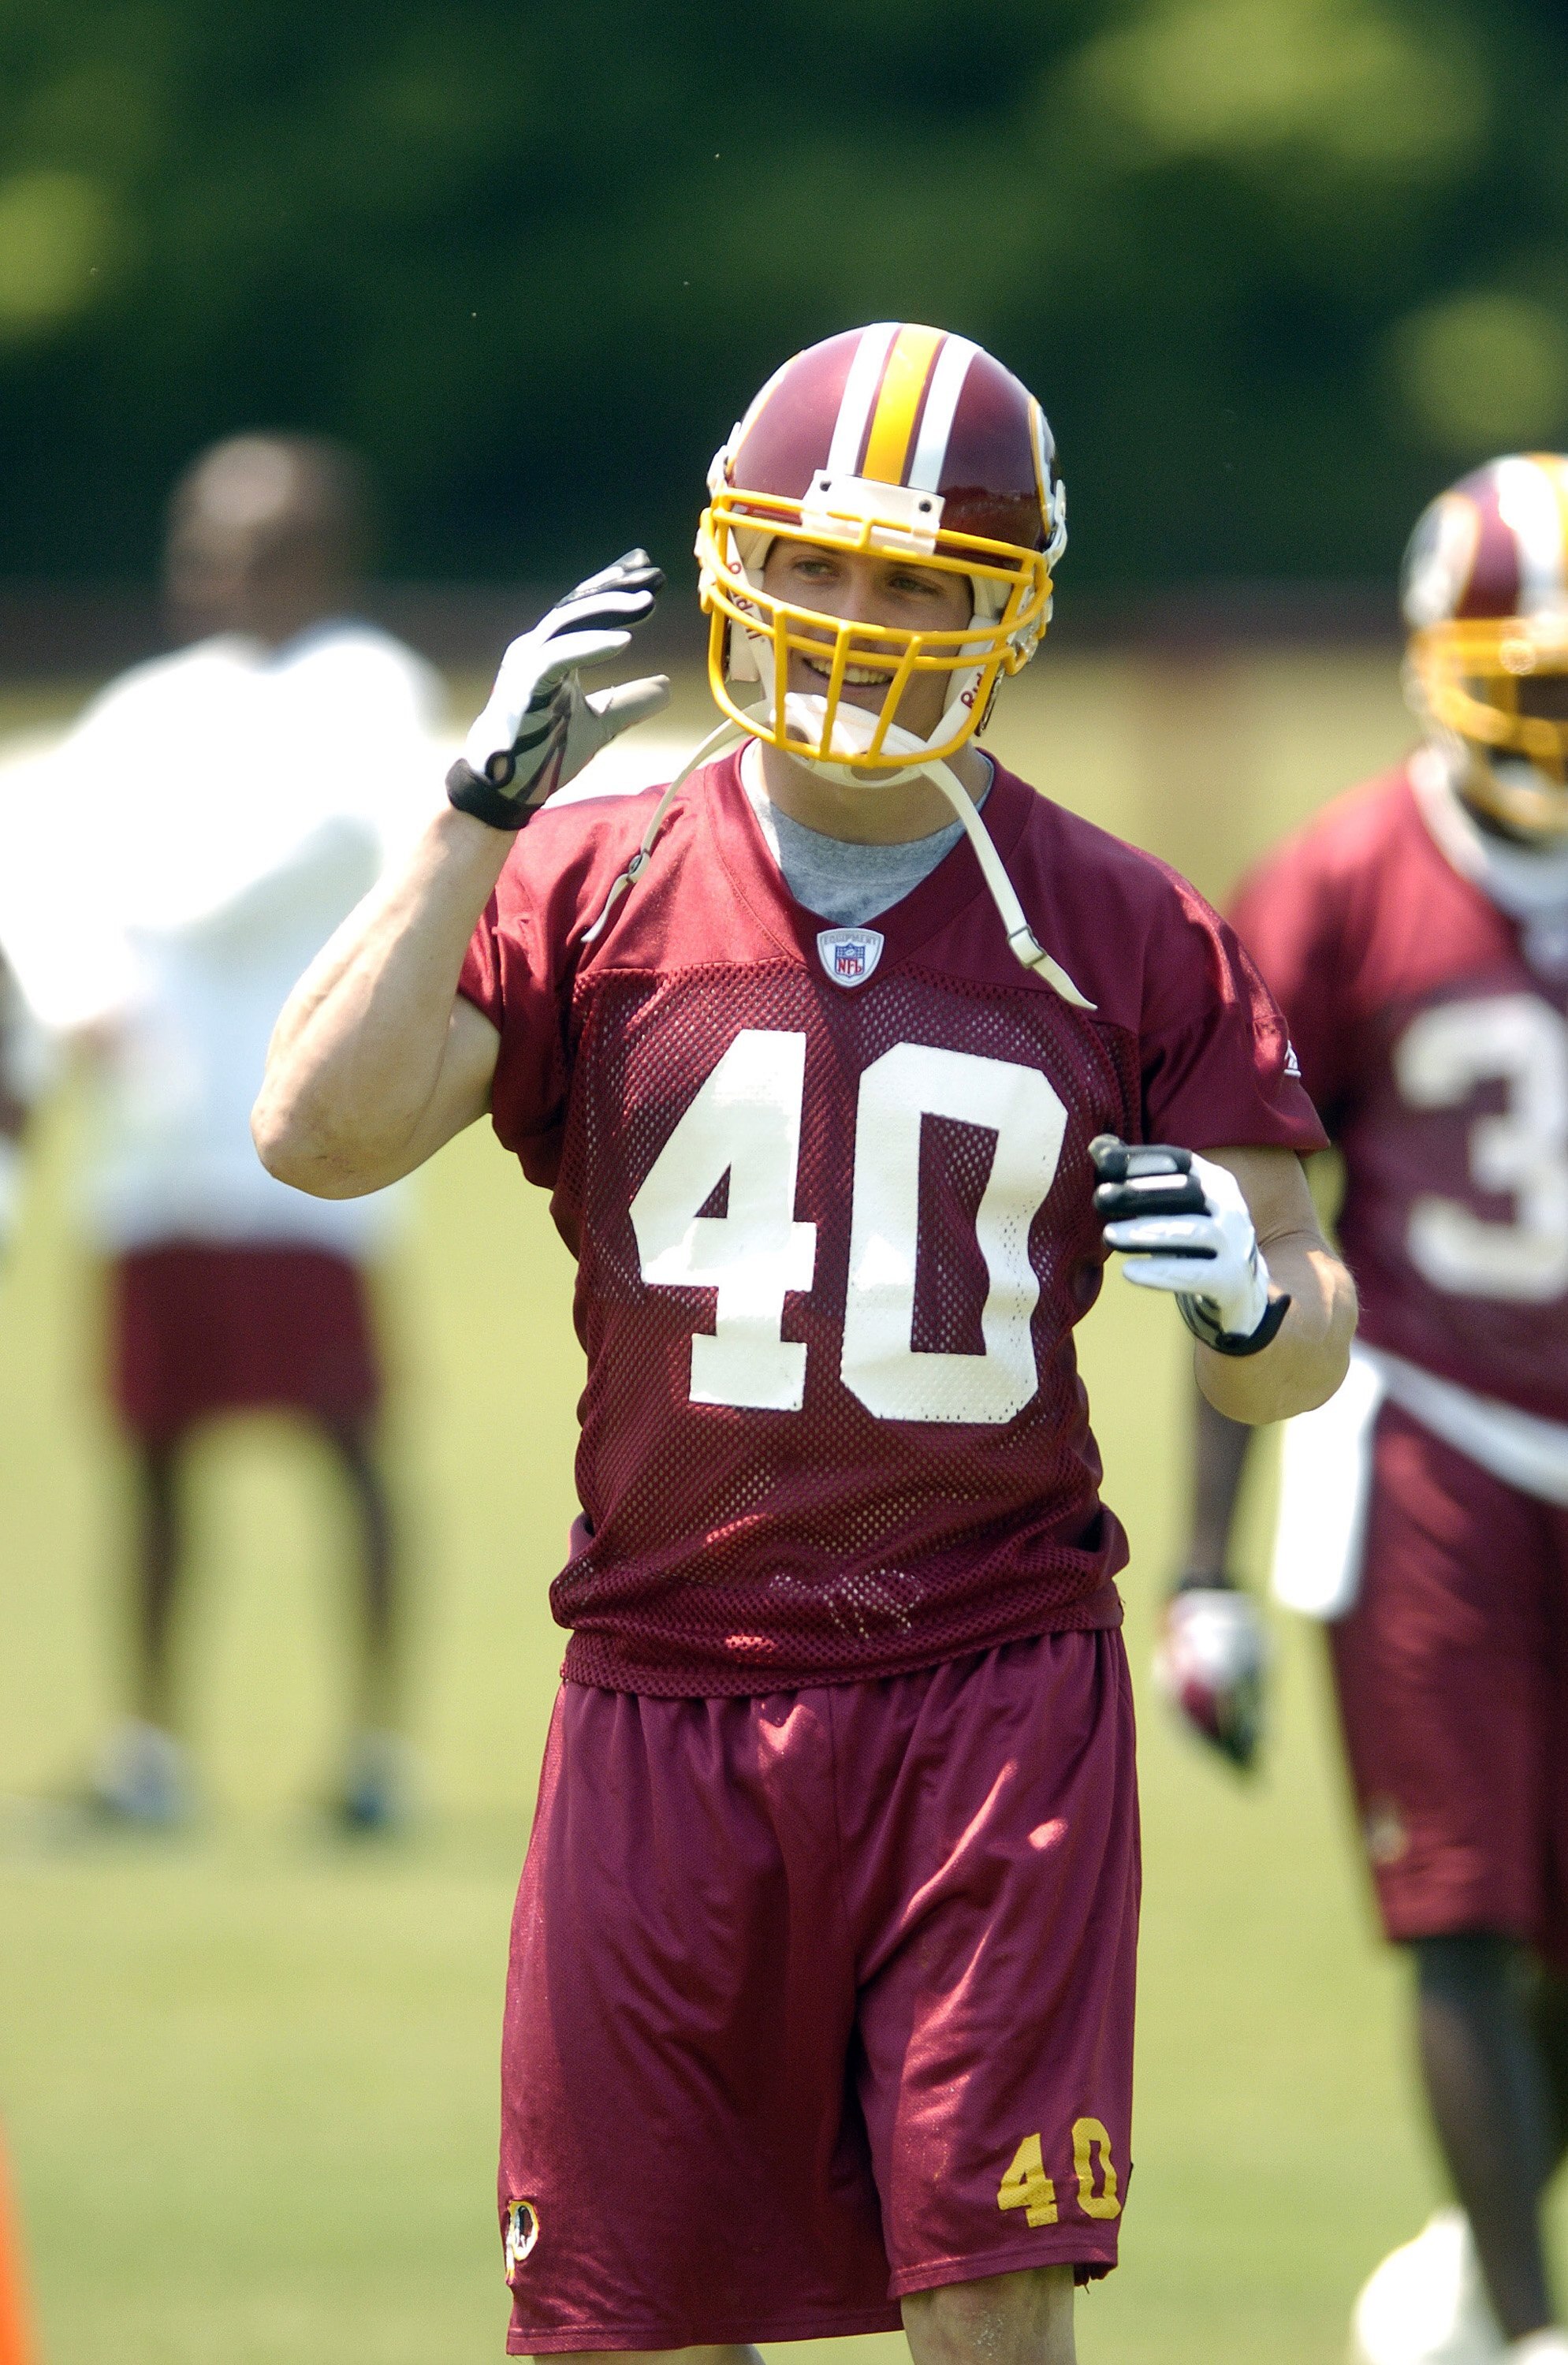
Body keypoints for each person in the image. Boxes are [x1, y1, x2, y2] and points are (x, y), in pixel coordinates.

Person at [253, 323, 1354, 2363]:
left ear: (1006, 607)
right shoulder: (594, 867)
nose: (855, 614)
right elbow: (316, 1137)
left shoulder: (1118, 924)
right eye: (816, 562)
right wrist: (475, 809)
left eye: (918, 579)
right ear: (733, 558)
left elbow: (1292, 1340)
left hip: (987, 1683)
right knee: (634, 2321)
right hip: (664, 1675)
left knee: (988, 2300)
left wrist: (1244, 1286)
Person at [1174, 455, 1568, 2365]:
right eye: (1534, 681)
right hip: (1426, 1441)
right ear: (1438, 670)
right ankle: (1528, 2323)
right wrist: (1201, 1569)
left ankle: (1472, 2281)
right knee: (1458, 1908)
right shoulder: (1339, 879)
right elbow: (1244, 1238)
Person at [1, 434, 444, 1831]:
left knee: (343, 1443)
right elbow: (39, 860)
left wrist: (134, 888)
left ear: (321, 555)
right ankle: (149, 1752)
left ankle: (374, 1753)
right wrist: (81, 978)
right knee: (151, 1452)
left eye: (251, 549)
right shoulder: (148, 707)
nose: (217, 575)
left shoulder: (367, 690)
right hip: (155, 1147)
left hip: (308, 1156)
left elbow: (307, 854)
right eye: (201, 548)